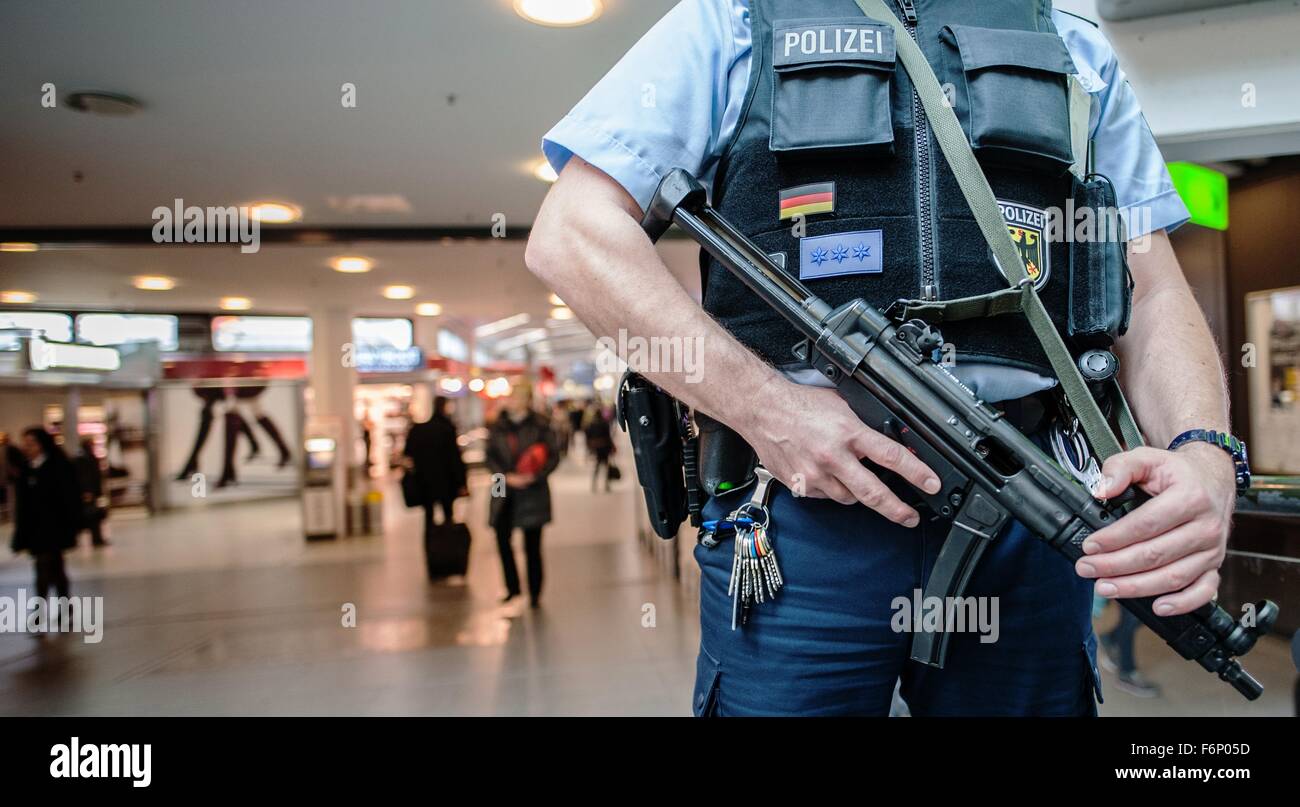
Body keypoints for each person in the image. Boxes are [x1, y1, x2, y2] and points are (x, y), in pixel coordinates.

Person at [527, 1, 1241, 715]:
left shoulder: (1064, 38)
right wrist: (767, 408)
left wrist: (1205, 452)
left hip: (1030, 505)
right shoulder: (736, 18)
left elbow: (1151, 293)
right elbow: (574, 235)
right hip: (800, 516)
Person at [486, 382, 560, 608]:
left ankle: (535, 592)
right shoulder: (498, 425)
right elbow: (489, 457)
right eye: (514, 396)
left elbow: (553, 456)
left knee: (532, 544)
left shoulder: (540, 425)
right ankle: (512, 587)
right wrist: (505, 476)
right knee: (501, 537)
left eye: (521, 397)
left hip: (532, 488)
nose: (516, 401)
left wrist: (535, 476)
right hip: (501, 486)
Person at [10, 428, 81, 627]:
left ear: (42, 444)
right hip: (35, 530)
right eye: (25, 444)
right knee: (51, 568)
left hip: (55, 528)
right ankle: (61, 608)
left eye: (31, 443)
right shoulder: (26, 469)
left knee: (47, 568)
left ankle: (46, 611)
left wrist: (73, 524)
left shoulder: (58, 466)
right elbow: (23, 505)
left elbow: (70, 498)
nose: (27, 448)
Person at [404, 396, 468, 534]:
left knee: (428, 516)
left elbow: (408, 455)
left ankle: (431, 549)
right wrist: (462, 482)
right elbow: (455, 458)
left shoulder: (418, 430)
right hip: (446, 481)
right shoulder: (447, 429)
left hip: (424, 482)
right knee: (448, 515)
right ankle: (448, 548)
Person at [73, 437, 109, 548]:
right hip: (88, 492)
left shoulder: (90, 457)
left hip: (92, 491)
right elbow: (84, 476)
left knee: (94, 516)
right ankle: (92, 539)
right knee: (90, 515)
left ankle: (97, 538)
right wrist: (86, 491)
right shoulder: (82, 459)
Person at [583, 403, 615, 493]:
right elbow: (608, 437)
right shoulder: (604, 424)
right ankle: (606, 485)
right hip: (604, 447)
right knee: (606, 466)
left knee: (597, 466)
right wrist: (611, 447)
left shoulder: (591, 425)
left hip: (596, 448)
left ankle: (594, 484)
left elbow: (587, 436)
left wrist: (589, 447)